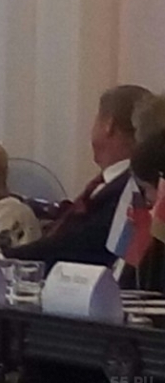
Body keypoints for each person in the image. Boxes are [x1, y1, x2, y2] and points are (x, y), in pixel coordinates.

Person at [10, 85, 151, 268]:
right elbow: (76, 217)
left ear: (108, 125)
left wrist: (3, 258)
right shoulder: (113, 184)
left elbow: (76, 244)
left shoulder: (132, 192)